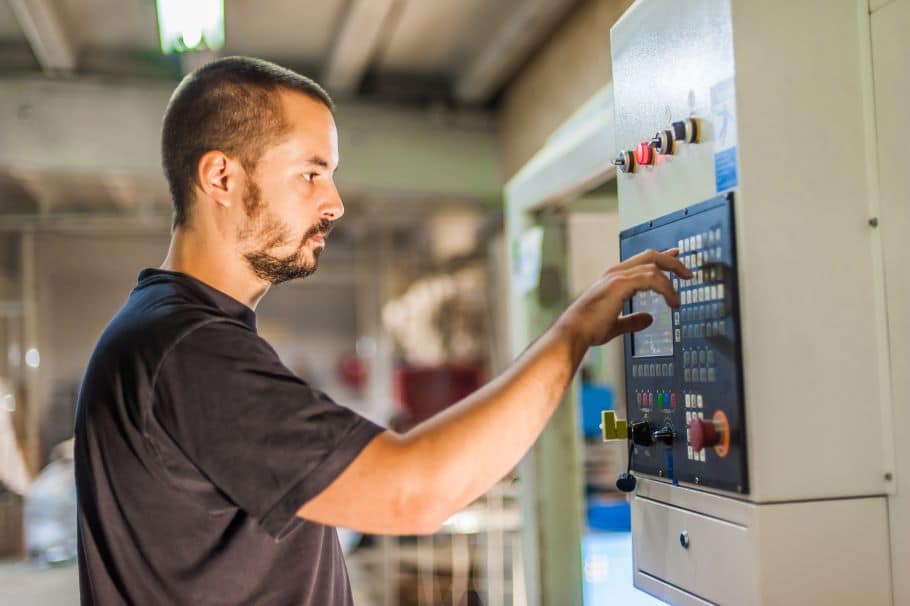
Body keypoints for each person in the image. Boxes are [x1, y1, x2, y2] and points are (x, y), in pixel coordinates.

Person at [74, 56, 691, 605]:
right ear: (222, 178)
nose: (334, 202)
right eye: (311, 173)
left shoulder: (172, 334)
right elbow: (412, 491)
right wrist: (571, 335)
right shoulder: (189, 349)